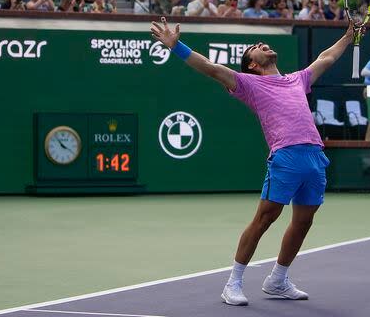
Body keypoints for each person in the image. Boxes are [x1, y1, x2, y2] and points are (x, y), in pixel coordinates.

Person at [150, 16, 354, 306]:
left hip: (314, 157)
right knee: (265, 218)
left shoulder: (298, 79)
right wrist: (176, 46)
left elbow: (326, 57)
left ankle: (278, 280)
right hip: (285, 157)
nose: (263, 45)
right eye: (256, 47)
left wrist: (348, 35)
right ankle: (233, 282)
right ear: (253, 65)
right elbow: (210, 68)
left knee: (304, 221)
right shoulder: (248, 83)